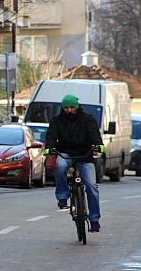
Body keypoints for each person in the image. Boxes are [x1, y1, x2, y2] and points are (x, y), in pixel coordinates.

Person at [43, 94, 106, 233]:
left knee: (91, 186)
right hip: (65, 153)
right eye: (66, 107)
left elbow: (94, 133)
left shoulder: (87, 119)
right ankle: (62, 197)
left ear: (77, 107)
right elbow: (52, 135)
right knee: (59, 166)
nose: (69, 110)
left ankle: (94, 220)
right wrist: (49, 148)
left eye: (72, 107)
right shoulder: (56, 120)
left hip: (85, 154)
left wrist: (99, 145)